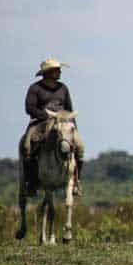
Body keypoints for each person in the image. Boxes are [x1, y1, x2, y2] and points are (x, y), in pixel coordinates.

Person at [20, 58, 85, 197]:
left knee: (80, 147)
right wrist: (45, 115)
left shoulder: (63, 88)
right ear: (48, 72)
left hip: (63, 122)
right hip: (41, 122)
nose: (60, 72)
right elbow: (29, 108)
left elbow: (69, 108)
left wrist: (74, 128)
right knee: (27, 146)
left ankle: (76, 182)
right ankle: (31, 183)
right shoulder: (35, 88)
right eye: (57, 70)